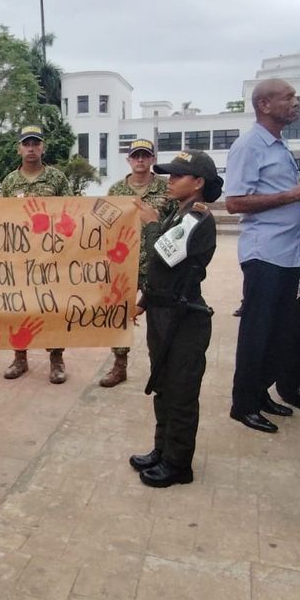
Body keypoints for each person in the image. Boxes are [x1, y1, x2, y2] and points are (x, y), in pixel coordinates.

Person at [224, 78, 300, 434]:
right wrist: (293, 195)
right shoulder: (249, 146)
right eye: (288, 98)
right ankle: (243, 404)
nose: (296, 103)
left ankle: (261, 393)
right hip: (265, 253)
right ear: (264, 105)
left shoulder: (279, 145)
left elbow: (281, 193)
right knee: (257, 332)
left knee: (278, 332)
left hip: (288, 254)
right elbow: (234, 202)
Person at [129, 150, 221, 488]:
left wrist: (151, 223)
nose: (170, 181)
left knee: (180, 392)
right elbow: (162, 277)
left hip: (185, 319)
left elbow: (162, 257)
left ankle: (178, 464)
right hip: (164, 313)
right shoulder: (179, 213)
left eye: (178, 176)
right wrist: (143, 303)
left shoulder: (196, 218)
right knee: (163, 386)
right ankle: (162, 450)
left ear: (198, 183)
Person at [0, 125, 73, 384]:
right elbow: (1, 220)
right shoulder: (9, 182)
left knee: (52, 307)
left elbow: (71, 215)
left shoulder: (57, 179)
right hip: (19, 260)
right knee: (19, 307)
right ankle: (20, 357)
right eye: (26, 143)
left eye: (36, 143)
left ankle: (56, 359)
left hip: (50, 258)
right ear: (19, 148)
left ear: (43, 147)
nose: (31, 148)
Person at [100, 139, 176, 387]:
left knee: (161, 320)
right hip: (124, 266)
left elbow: (176, 227)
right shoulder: (115, 192)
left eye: (145, 155)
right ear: (129, 160)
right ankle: (119, 366)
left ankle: (162, 368)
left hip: (157, 267)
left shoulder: (167, 191)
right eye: (136, 156)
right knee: (119, 316)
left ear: (153, 159)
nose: (140, 160)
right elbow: (103, 227)